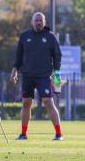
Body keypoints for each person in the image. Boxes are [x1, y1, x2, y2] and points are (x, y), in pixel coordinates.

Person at [10, 12, 63, 140]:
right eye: (36, 20)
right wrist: (14, 70)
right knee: (26, 103)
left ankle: (59, 134)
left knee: (48, 102)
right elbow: (18, 55)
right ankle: (23, 134)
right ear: (32, 22)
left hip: (43, 76)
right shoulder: (24, 36)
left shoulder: (50, 37)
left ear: (44, 22)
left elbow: (57, 55)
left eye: (40, 20)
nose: (38, 22)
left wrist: (57, 72)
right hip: (27, 75)